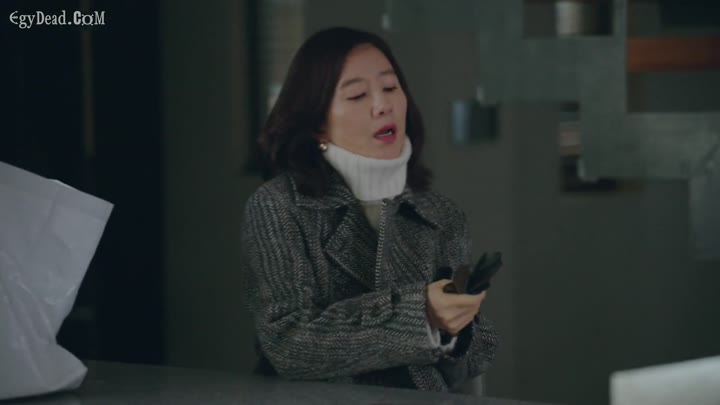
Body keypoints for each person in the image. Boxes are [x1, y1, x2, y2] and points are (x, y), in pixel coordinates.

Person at [242, 26, 498, 392]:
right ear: (317, 125)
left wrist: (452, 331)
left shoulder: (441, 214)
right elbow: (288, 344)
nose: (383, 105)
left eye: (391, 88)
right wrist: (420, 315)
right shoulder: (278, 206)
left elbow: (479, 356)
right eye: (358, 95)